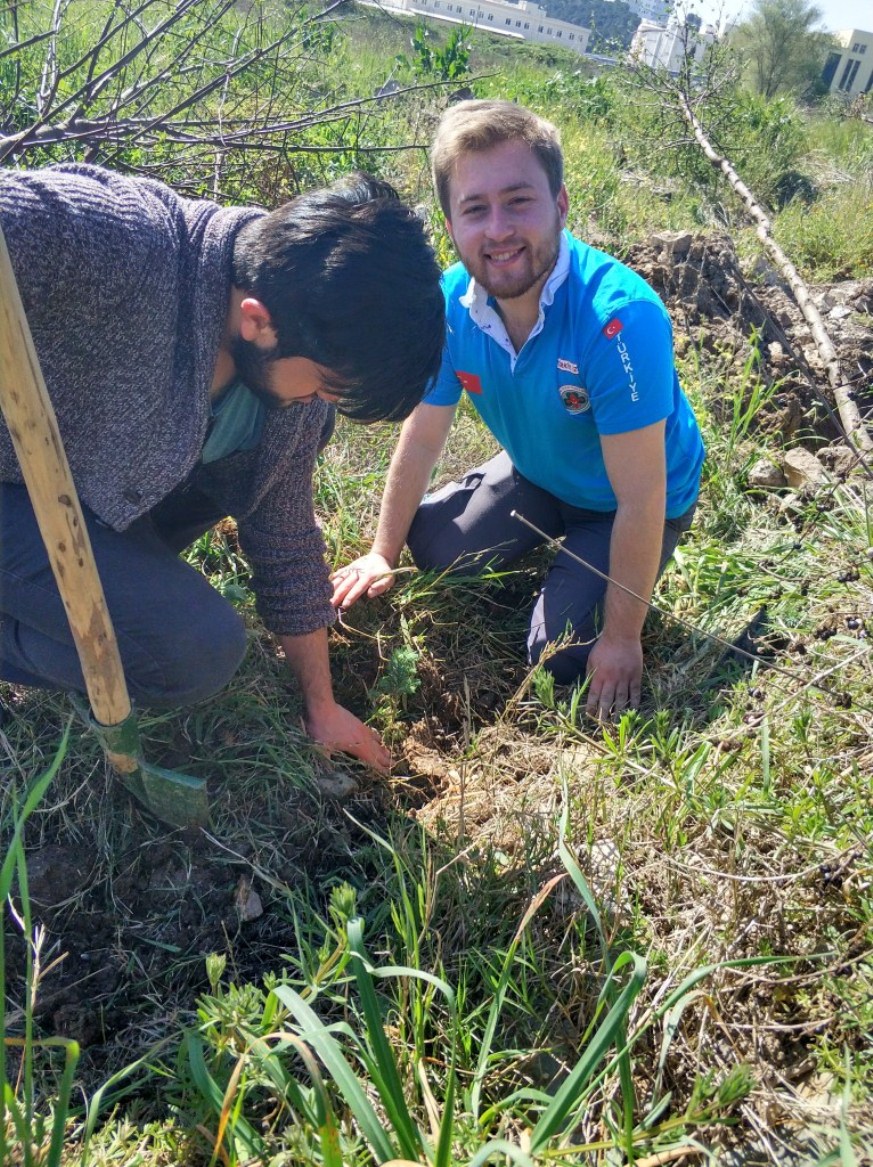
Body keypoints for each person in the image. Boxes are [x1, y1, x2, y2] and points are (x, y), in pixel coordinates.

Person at [0, 164, 445, 769]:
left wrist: (321, 704)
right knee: (194, 649)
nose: (318, 402)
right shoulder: (124, 242)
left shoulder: (286, 373)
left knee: (189, 644)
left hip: (77, 496)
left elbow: (284, 536)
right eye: (322, 385)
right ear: (258, 321)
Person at [331, 100, 705, 718]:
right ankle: (556, 549)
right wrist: (381, 552)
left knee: (557, 655)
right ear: (451, 225)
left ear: (559, 204)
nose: (498, 229)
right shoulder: (453, 304)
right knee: (433, 549)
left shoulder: (617, 320)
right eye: (475, 209)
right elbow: (421, 438)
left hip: (630, 502)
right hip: (539, 472)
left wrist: (621, 639)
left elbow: (642, 496)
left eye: (519, 201)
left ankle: (587, 578)